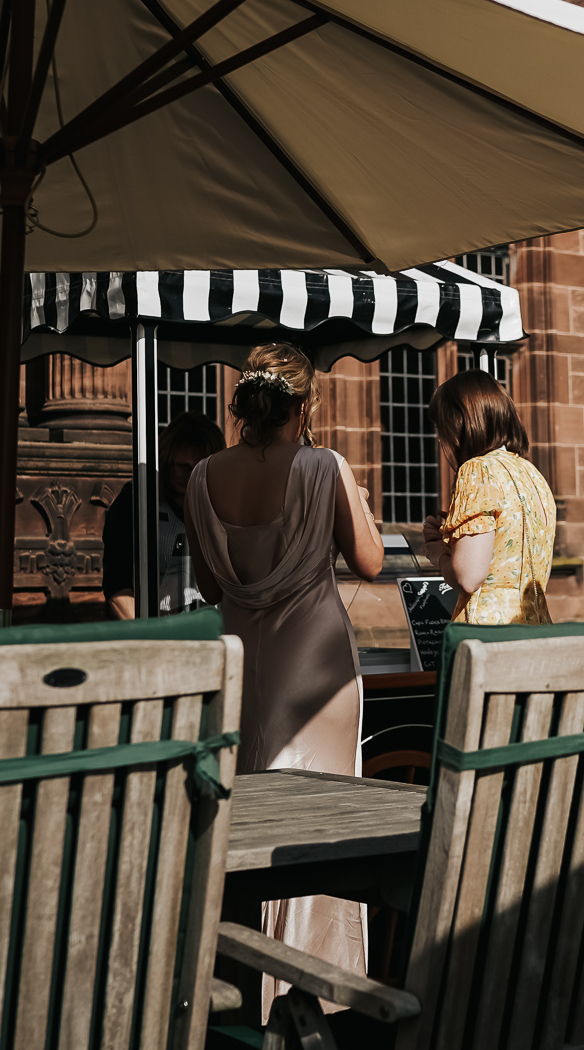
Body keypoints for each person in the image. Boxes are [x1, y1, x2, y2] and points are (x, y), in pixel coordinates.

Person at [183, 343, 383, 1013]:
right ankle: (313, 985)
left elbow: (211, 581)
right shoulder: (323, 465)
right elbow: (370, 560)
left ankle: (246, 974)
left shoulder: (204, 475)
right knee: (320, 816)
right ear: (303, 405)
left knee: (247, 808)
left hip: (243, 651)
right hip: (315, 656)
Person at [420, 369, 556, 624]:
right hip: (536, 630)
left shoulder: (477, 470)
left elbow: (468, 576)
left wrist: (438, 552)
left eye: (441, 427)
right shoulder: (532, 473)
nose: (440, 438)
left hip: (487, 636)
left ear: (459, 423)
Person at [102, 411, 227, 619]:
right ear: (167, 460)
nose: (191, 476)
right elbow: (118, 587)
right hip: (155, 625)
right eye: (183, 467)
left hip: (210, 625)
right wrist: (148, 637)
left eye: (199, 469)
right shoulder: (137, 501)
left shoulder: (221, 505)